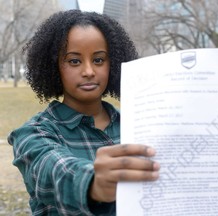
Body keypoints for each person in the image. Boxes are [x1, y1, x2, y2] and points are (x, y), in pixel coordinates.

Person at [7, 10, 160, 215]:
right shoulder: (32, 135)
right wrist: (94, 183)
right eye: (74, 61)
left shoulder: (139, 123)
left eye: (98, 60)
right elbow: (53, 171)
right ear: (53, 66)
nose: (89, 71)